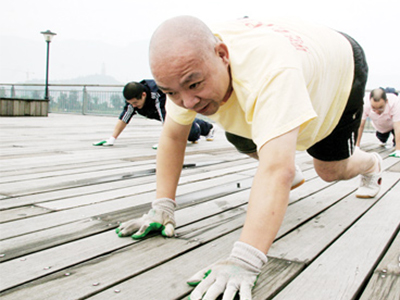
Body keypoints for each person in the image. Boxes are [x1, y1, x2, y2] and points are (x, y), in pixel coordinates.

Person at [116, 16, 383, 300]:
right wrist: (162, 206)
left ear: (222, 55)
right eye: (171, 92)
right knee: (238, 129)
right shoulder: (183, 74)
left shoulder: (270, 70)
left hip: (339, 65)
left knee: (330, 170)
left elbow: (275, 171)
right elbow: (173, 135)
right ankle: (290, 166)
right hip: (284, 65)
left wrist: (244, 261)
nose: (188, 103)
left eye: (194, 85)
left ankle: (371, 164)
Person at [93, 80, 215, 147]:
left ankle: (204, 128)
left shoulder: (156, 93)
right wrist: (112, 138)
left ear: (144, 95)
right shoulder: (133, 101)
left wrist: (165, 141)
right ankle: (207, 128)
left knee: (190, 133)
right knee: (182, 129)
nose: (134, 106)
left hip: (172, 111)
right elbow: (124, 118)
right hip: (158, 114)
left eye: (136, 103)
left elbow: (165, 117)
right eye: (131, 103)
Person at [356, 87, 400, 158]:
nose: (377, 111)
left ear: (386, 101)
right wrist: (356, 146)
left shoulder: (395, 102)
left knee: (397, 143)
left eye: (380, 107)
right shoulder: (365, 103)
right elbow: (360, 125)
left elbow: (398, 126)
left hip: (392, 125)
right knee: (382, 139)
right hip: (380, 127)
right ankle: (382, 137)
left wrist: (398, 150)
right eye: (373, 108)